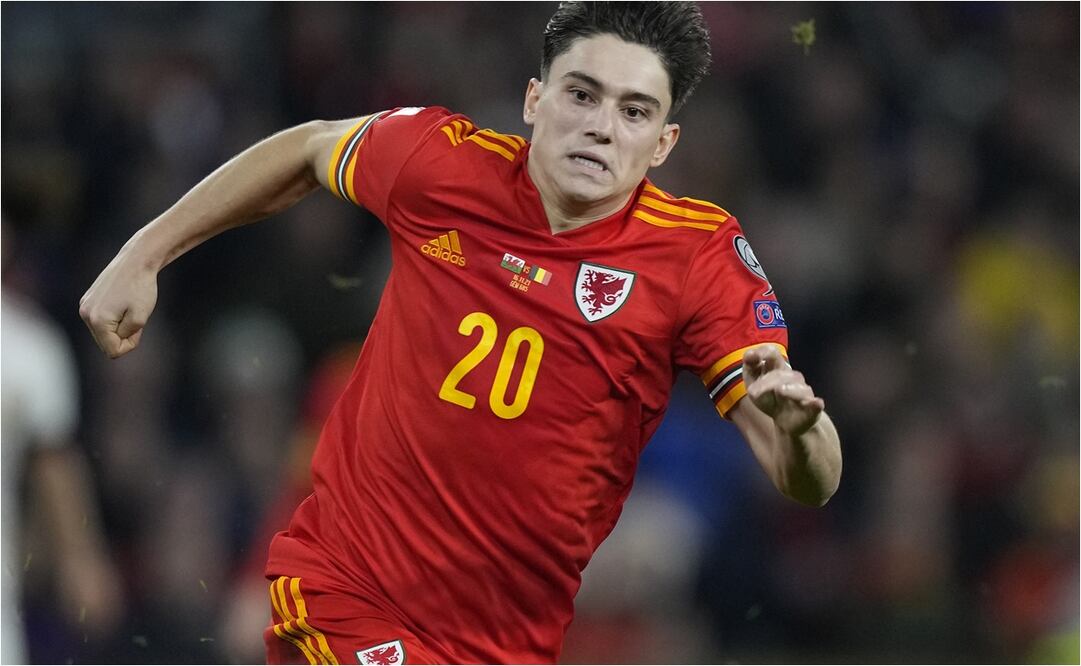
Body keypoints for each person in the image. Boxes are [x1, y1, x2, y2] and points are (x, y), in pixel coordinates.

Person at [80, 2, 842, 663]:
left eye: (633, 111)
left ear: (663, 143)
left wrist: (801, 436)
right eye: (582, 94)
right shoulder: (440, 164)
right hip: (346, 589)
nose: (600, 128)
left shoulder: (695, 257)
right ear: (535, 100)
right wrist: (143, 253)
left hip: (504, 644)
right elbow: (310, 148)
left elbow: (807, 477)